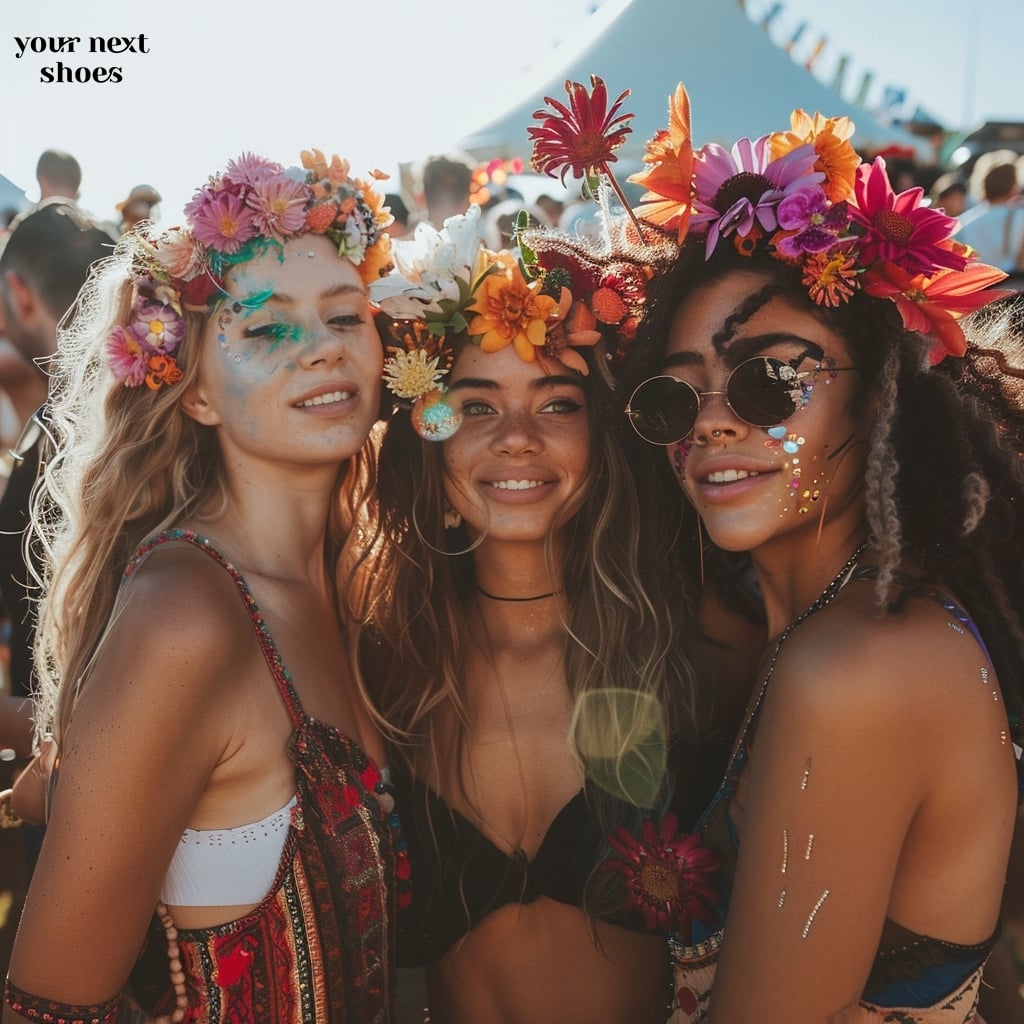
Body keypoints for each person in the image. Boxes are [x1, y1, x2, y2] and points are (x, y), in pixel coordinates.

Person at [618, 85, 1024, 1023]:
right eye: (674, 400)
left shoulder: (856, 668)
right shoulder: (832, 625)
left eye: (770, 382)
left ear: (879, 397)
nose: (714, 423)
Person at [3, 148, 400, 1023]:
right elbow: (47, 1006)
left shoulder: (358, 578)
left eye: (345, 315)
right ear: (195, 395)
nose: (322, 350)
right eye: (264, 329)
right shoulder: (186, 615)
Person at [362, 202, 717, 1023]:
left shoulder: (693, 647)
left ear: (603, 437)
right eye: (476, 405)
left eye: (557, 403)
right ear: (429, 436)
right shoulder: (382, 666)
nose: (517, 436)